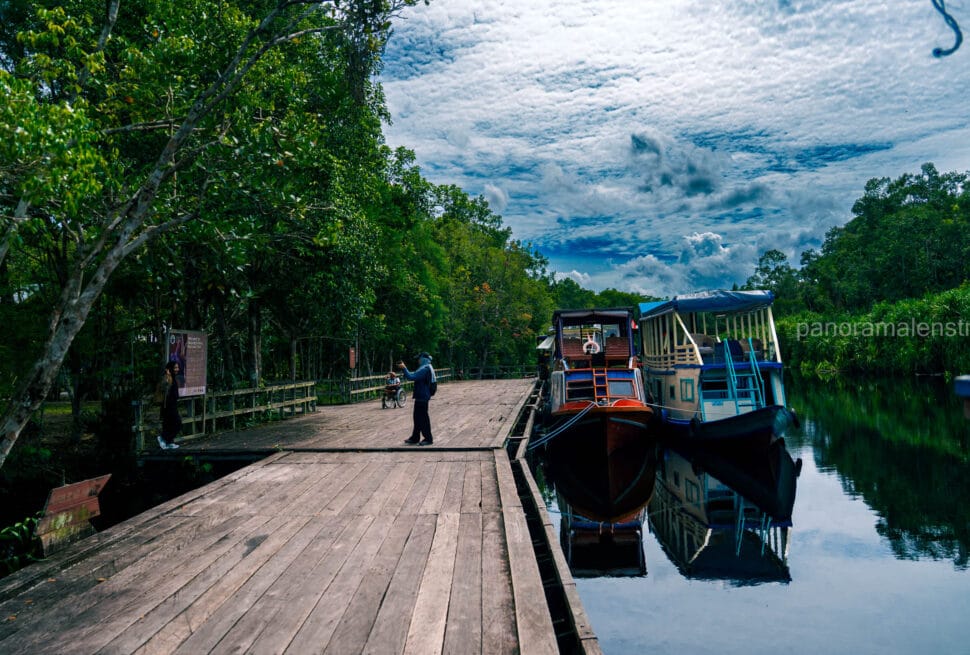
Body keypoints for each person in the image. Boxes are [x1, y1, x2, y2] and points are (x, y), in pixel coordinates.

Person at [397, 352, 435, 445]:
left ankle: (428, 439)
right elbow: (411, 374)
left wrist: (404, 368)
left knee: (423, 418)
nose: (418, 360)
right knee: (417, 418)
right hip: (420, 397)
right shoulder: (425, 368)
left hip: (423, 397)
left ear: (423, 359)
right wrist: (404, 369)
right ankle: (415, 437)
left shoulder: (425, 369)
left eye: (419, 358)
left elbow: (411, 377)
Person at [157, 361, 182, 450]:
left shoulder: (173, 377)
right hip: (168, 406)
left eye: (177, 367)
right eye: (175, 367)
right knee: (177, 423)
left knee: (169, 424)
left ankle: (169, 442)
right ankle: (163, 438)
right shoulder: (167, 378)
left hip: (172, 405)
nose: (177, 369)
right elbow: (164, 388)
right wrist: (167, 376)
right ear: (170, 368)